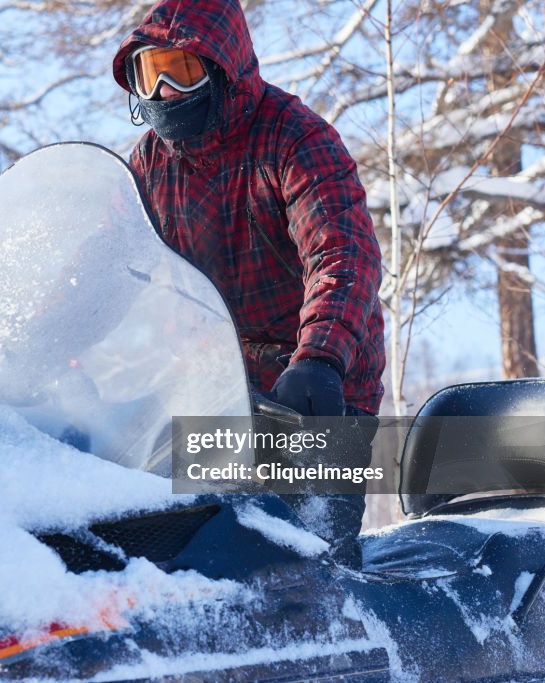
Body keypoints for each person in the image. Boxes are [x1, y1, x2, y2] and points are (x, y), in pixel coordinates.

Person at [112, 0, 386, 567]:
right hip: (212, 395)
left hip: (310, 394)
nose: (162, 91)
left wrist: (320, 357)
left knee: (299, 567)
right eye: (148, 73)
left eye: (180, 70)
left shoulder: (295, 139)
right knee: (180, 556)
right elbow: (101, 266)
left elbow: (341, 253)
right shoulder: (147, 167)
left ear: (222, 68)